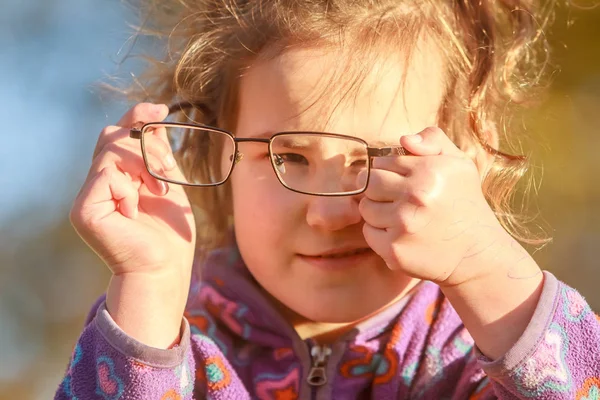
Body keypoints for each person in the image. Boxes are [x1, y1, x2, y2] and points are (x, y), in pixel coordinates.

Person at [56, 0, 600, 399]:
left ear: (469, 160)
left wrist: (488, 270)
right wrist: (148, 291)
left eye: (379, 158)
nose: (330, 212)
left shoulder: (484, 353)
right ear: (213, 154)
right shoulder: (160, 333)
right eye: (288, 157)